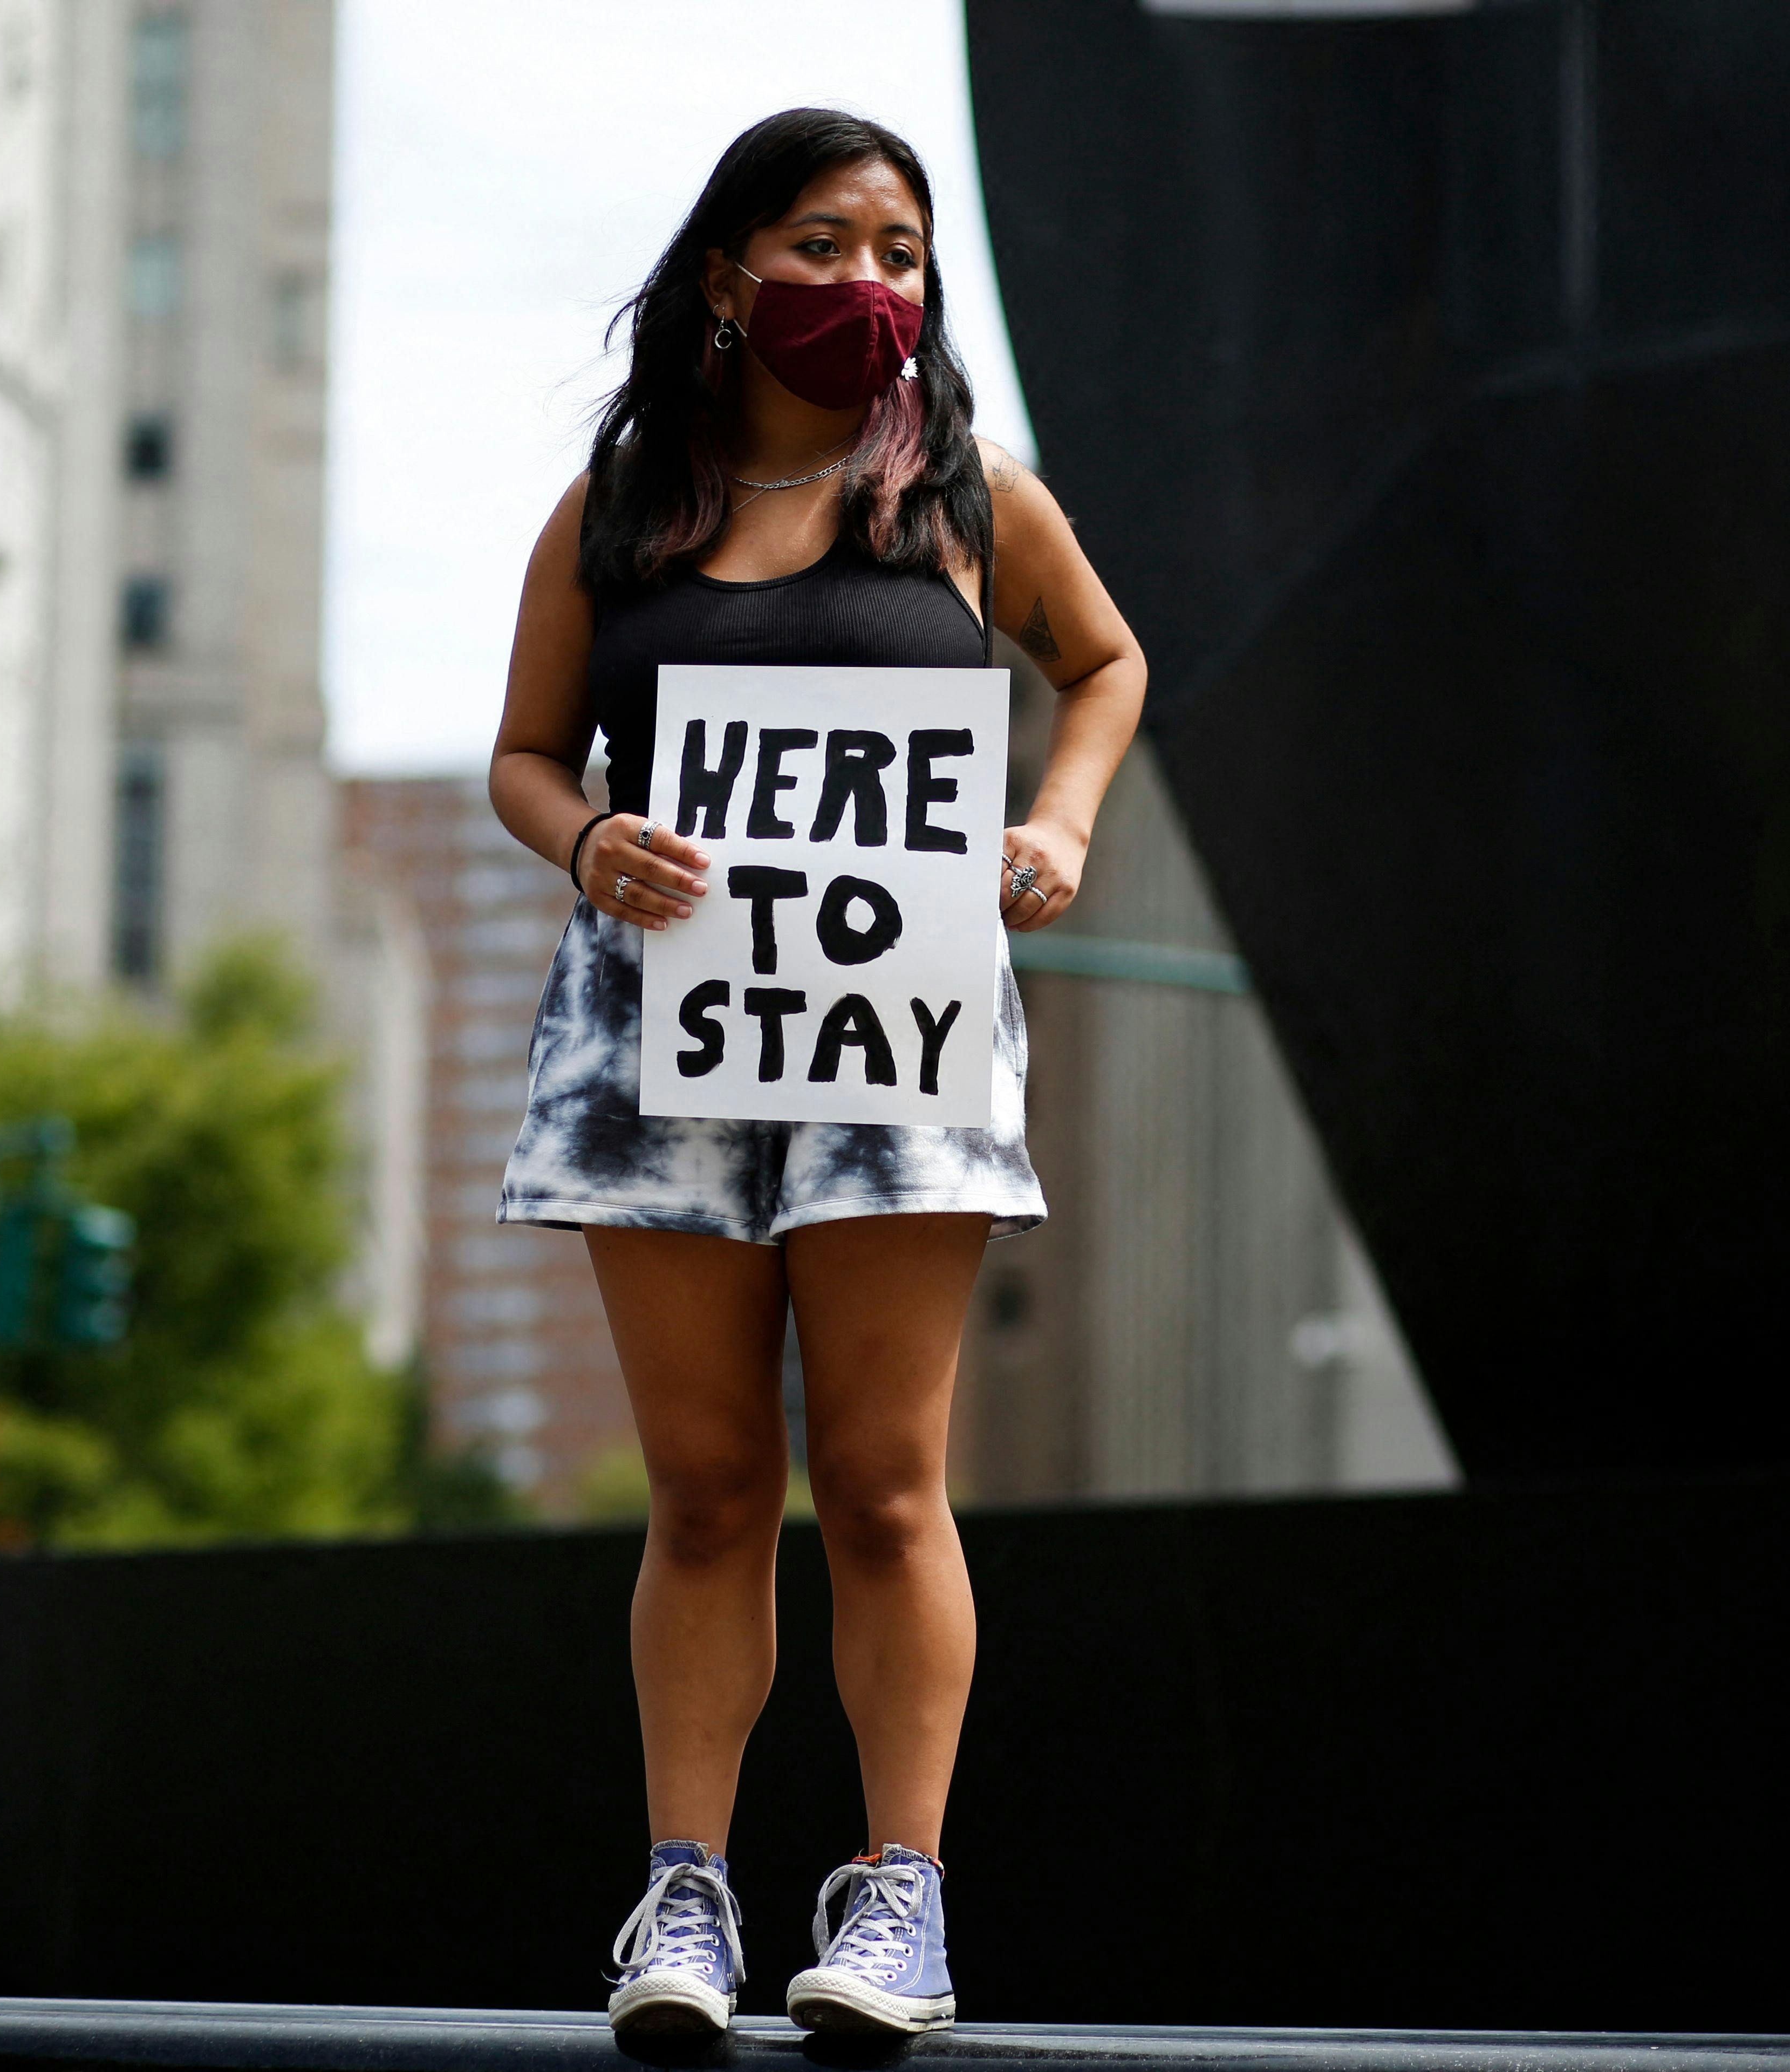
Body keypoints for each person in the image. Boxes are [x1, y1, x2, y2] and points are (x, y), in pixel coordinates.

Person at [489, 110, 1146, 2039]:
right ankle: (684, 1900)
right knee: (704, 1489)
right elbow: (525, 755)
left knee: (879, 1482)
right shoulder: (621, 506)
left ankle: (903, 1904)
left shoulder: (961, 493)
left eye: (902, 255)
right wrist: (584, 842)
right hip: (654, 1034)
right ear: (728, 274)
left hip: (902, 1032)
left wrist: (1065, 828)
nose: (872, 287)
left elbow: (1102, 664)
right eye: (826, 245)